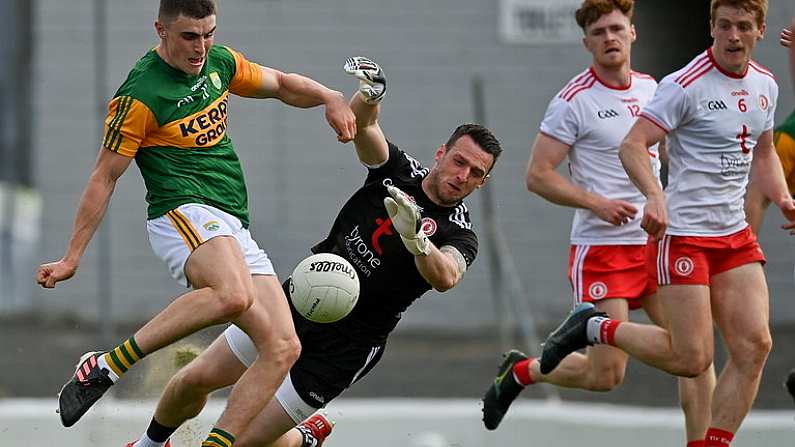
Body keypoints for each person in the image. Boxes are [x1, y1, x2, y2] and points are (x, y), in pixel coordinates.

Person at [122, 56, 502, 447]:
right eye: (460, 162)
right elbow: (363, 126)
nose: (463, 176)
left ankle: (300, 439)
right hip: (298, 300)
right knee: (194, 380)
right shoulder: (401, 171)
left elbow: (447, 275)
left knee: (243, 441)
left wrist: (418, 242)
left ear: (483, 181)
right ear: (442, 153)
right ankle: (148, 445)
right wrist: (371, 94)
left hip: (346, 347)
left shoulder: (459, 232)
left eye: (476, 173)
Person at [35, 1, 357, 445]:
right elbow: (104, 176)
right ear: (161, 31)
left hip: (231, 221)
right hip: (181, 210)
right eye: (190, 36)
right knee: (233, 295)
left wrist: (329, 96)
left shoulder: (219, 63)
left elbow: (281, 84)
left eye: (208, 33)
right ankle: (106, 366)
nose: (201, 46)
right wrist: (73, 256)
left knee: (284, 347)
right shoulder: (140, 96)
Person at [538, 1, 795, 446]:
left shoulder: (766, 85)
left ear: (760, 31)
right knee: (691, 358)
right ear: (711, 28)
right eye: (724, 26)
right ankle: (592, 327)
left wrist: (785, 198)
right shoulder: (682, 85)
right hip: (682, 236)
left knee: (755, 347)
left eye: (743, 27)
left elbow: (765, 151)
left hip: (733, 235)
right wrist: (655, 196)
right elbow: (633, 146)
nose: (733, 36)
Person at [480, 2, 714, 444]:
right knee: (606, 375)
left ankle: (701, 441)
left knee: (695, 353)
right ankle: (523, 370)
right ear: (587, 42)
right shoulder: (573, 101)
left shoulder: (654, 89)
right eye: (599, 32)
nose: (610, 38)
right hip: (602, 249)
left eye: (616, 29)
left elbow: (664, 155)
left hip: (657, 242)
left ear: (633, 33)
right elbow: (538, 175)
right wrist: (597, 202)